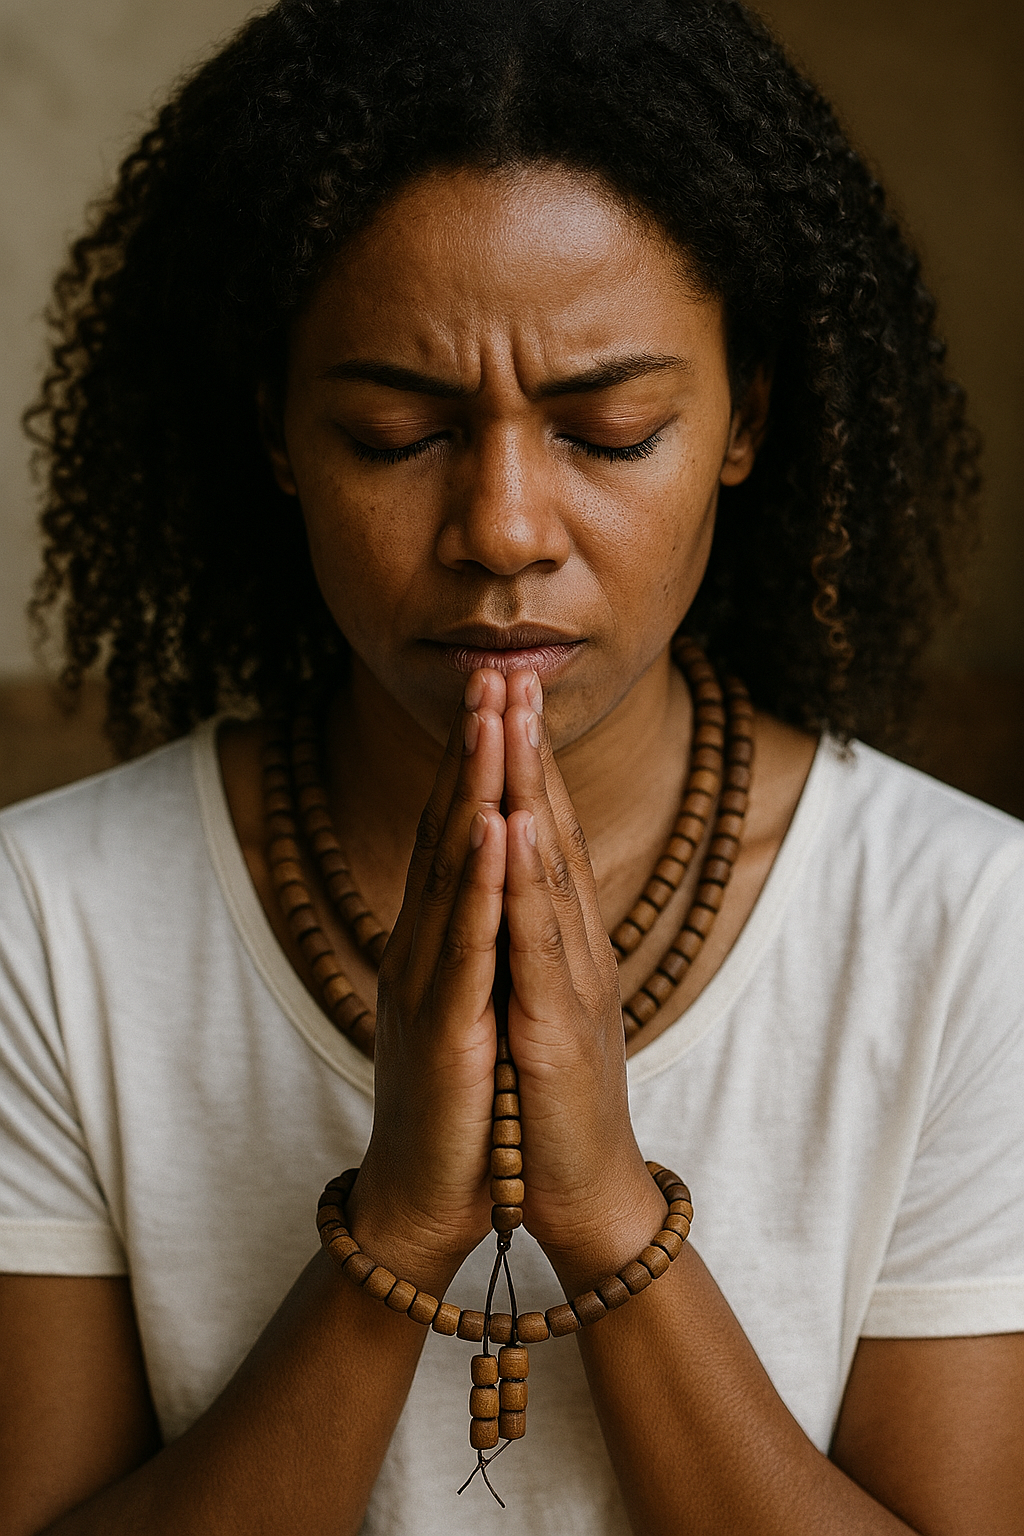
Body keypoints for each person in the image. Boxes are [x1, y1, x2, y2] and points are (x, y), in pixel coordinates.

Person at [1, 0, 1022, 1531]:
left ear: (742, 416)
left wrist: (607, 1209)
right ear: (278, 433)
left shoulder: (967, 928)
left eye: (608, 431)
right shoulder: (50, 921)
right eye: (391, 431)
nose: (502, 528)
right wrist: (403, 1225)